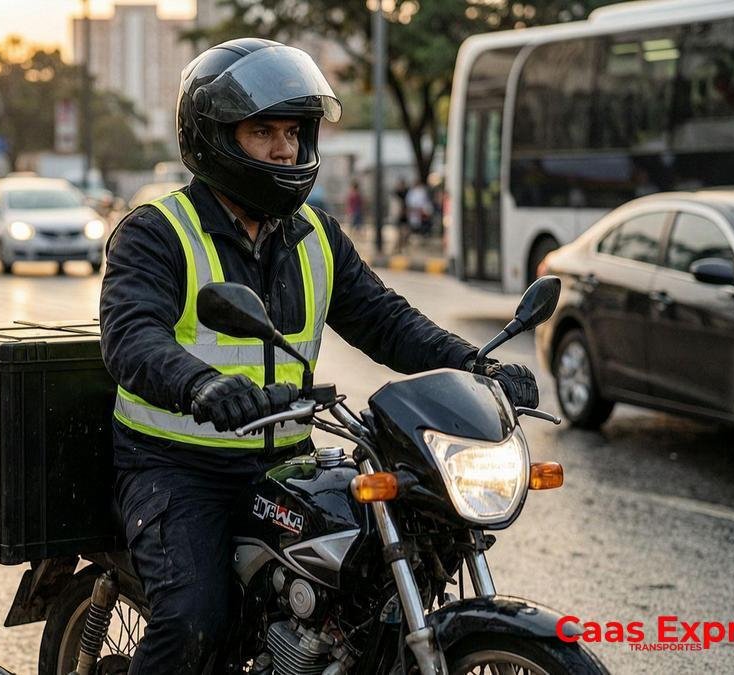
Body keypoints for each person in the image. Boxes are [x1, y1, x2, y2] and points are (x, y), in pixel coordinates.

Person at [98, 38, 538, 674]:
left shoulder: (314, 234)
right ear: (215, 137)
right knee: (197, 618)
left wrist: (479, 367)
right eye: (263, 131)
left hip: (284, 464)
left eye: (294, 132)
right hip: (178, 468)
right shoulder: (157, 232)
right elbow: (132, 333)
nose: (284, 149)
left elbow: (386, 322)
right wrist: (202, 386)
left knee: (369, 584)